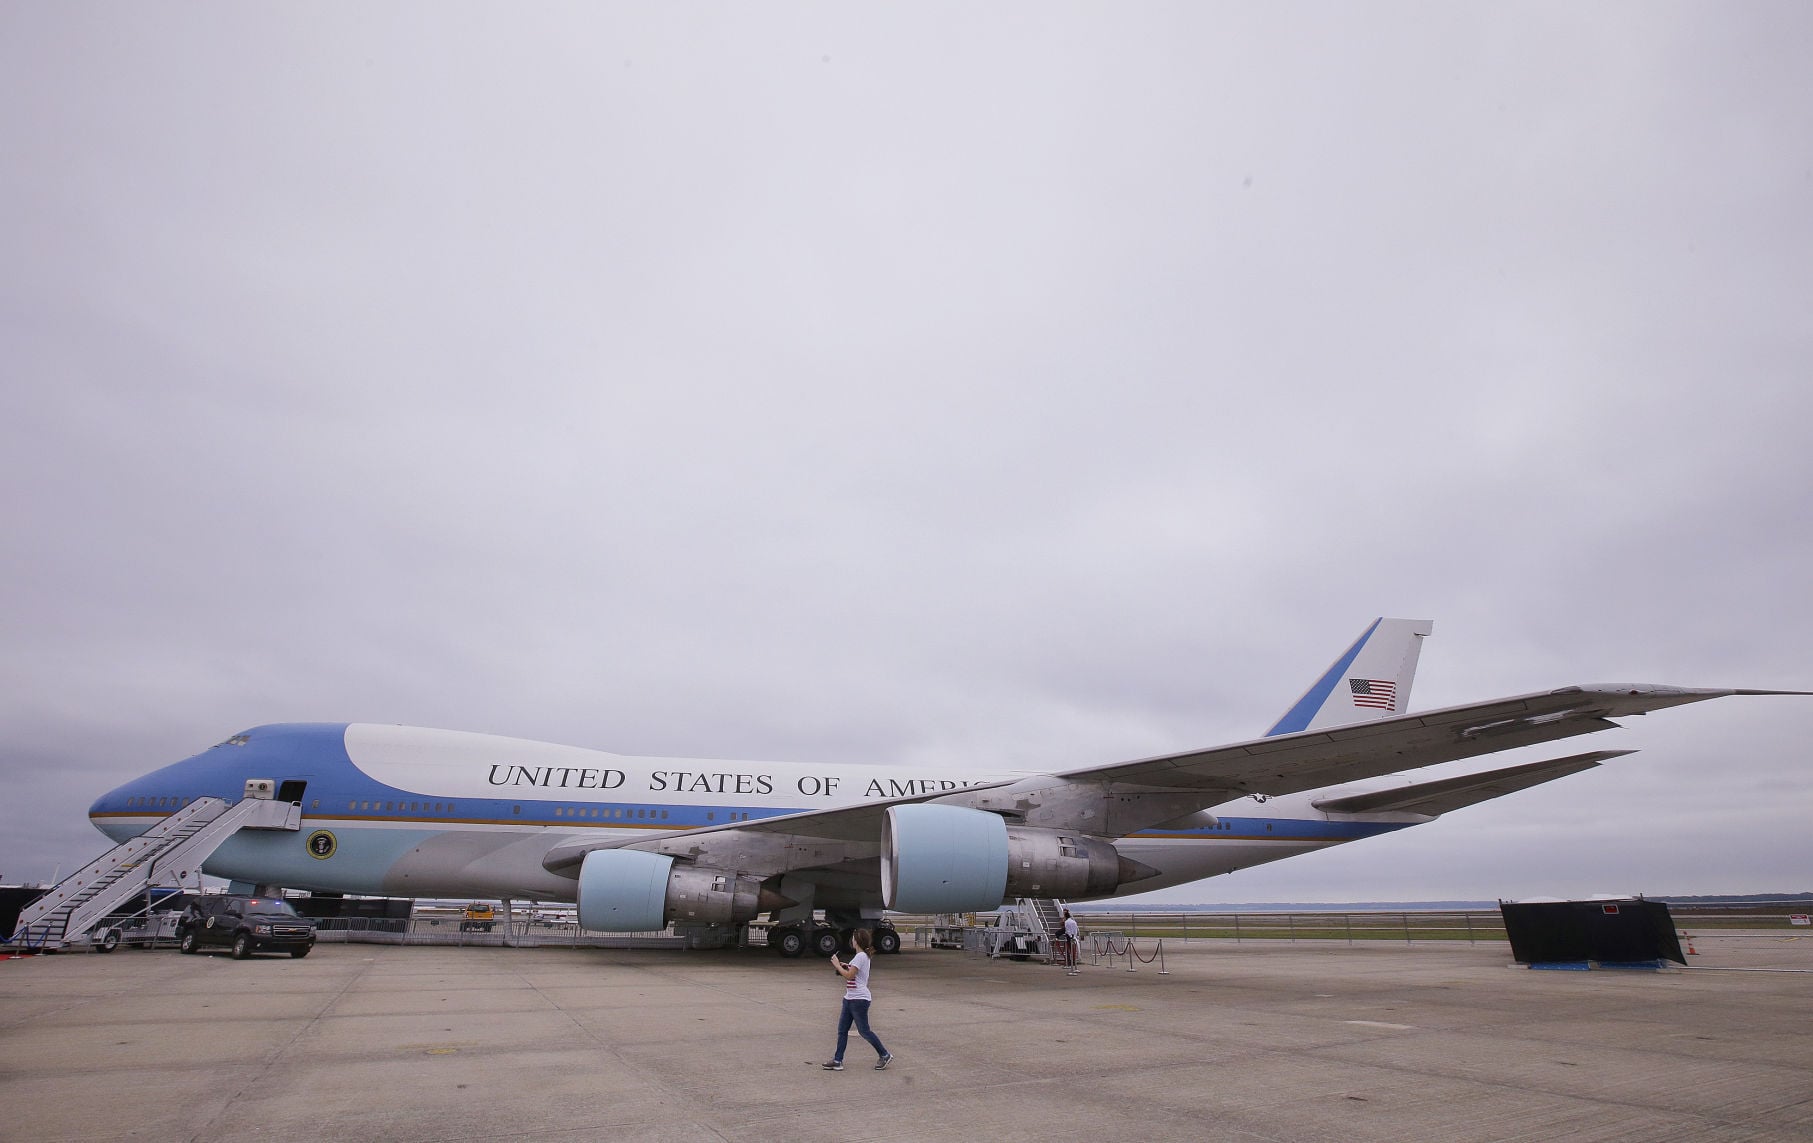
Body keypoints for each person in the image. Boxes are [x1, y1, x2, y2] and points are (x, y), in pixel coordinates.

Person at [822, 928, 893, 1071]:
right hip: (850, 998)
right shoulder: (861, 957)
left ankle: (885, 1054)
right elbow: (853, 973)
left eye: (853, 938)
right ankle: (837, 1060)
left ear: (857, 941)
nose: (852, 940)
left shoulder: (860, 956)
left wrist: (837, 965)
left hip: (859, 999)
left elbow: (849, 976)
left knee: (864, 1031)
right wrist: (846, 966)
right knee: (842, 1030)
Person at [1062, 908, 1080, 975]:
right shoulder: (1074, 922)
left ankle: (1071, 963)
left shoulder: (1066, 922)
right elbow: (1076, 930)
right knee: (1074, 950)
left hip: (1069, 937)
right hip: (1074, 936)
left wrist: (1070, 936)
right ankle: (1074, 963)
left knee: (1070, 950)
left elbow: (1067, 930)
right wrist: (1074, 936)